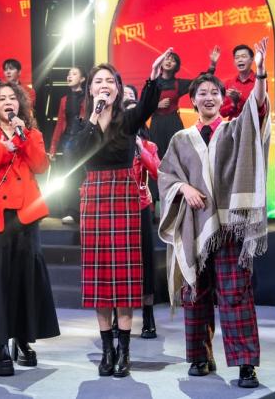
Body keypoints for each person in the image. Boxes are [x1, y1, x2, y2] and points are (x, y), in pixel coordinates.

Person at [158, 38, 272, 388]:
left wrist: (261, 74)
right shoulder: (180, 139)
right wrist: (183, 188)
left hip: (230, 226)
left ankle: (245, 364)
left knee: (236, 295)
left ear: (223, 99)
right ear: (192, 100)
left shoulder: (234, 130)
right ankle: (200, 356)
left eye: (214, 93)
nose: (208, 97)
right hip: (194, 227)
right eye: (202, 93)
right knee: (196, 293)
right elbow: (166, 175)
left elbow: (258, 110)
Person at [71, 54, 164, 378]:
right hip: (95, 198)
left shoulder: (128, 120)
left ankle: (124, 350)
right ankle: (107, 350)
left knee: (124, 280)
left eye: (110, 81)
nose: (104, 85)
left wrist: (153, 77)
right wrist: (94, 116)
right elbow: (76, 153)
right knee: (99, 280)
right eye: (98, 81)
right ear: (90, 90)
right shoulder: (84, 123)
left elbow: (148, 104)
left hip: (124, 197)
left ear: (118, 88)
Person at [0, 82, 59, 377]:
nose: (8, 102)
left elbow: (41, 166)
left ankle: (23, 339)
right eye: (2, 99)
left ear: (20, 104)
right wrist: (2, 149)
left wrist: (23, 137)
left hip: (26, 216)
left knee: (24, 280)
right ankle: (0, 344)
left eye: (12, 98)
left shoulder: (32, 133)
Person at [123, 85, 161, 339]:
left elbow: (158, 171)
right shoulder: (113, 143)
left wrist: (140, 147)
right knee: (120, 264)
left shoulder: (148, 145)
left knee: (146, 263)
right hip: (117, 209)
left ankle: (148, 316)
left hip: (141, 207)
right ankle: (118, 315)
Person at [148, 47, 220, 160]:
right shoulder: (152, 81)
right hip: (157, 124)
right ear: (161, 63)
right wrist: (156, 105)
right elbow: (143, 105)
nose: (169, 61)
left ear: (176, 66)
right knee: (157, 157)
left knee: (178, 154)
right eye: (167, 59)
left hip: (173, 122)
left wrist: (212, 65)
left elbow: (200, 81)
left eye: (173, 60)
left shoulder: (179, 83)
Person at [48, 66, 86, 224]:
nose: (69, 76)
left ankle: (87, 210)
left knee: (86, 175)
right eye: (68, 74)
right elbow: (60, 124)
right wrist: (53, 147)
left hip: (86, 140)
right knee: (70, 177)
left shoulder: (89, 96)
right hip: (69, 141)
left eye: (74, 73)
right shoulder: (64, 99)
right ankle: (72, 211)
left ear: (82, 79)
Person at [221, 44, 256, 120]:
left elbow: (259, 109)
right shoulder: (228, 83)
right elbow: (222, 113)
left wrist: (240, 99)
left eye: (243, 56)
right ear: (234, 62)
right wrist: (233, 104)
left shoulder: (259, 82)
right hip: (233, 126)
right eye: (237, 57)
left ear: (252, 59)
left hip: (252, 126)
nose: (240, 60)